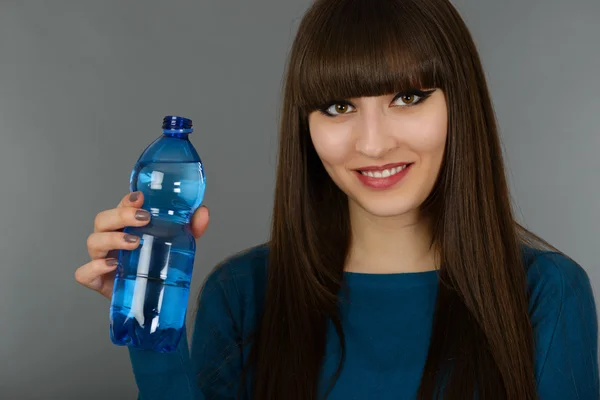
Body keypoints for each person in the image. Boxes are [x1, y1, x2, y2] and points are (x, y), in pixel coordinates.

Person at [75, 0, 599, 399]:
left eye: (408, 98)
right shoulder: (242, 293)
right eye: (338, 105)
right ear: (305, 126)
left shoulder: (547, 294)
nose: (372, 143)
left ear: (460, 104)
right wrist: (149, 322)